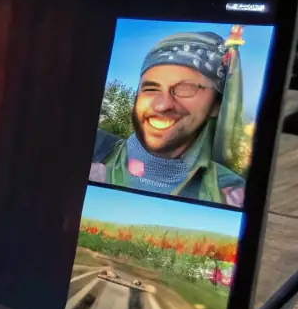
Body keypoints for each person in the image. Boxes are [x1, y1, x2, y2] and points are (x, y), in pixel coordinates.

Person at [91, 28, 247, 207]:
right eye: (151, 89)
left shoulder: (230, 194)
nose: (162, 105)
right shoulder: (90, 152)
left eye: (186, 89)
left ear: (215, 105)